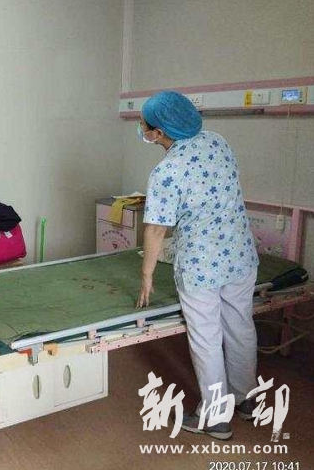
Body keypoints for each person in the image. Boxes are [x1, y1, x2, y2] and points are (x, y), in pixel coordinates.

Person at [136, 91, 259, 440]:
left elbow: (156, 229)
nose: (142, 128)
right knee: (240, 327)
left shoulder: (167, 171)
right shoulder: (219, 142)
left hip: (202, 264)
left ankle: (216, 418)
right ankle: (246, 398)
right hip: (239, 254)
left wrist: (146, 275)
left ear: (158, 133)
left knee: (206, 337)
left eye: (144, 124)